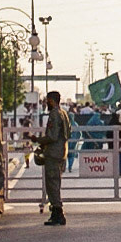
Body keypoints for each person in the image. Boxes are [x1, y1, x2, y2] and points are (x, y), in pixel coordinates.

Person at [36, 91, 71, 226]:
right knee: (56, 182)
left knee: (52, 184)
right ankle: (56, 212)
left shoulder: (54, 115)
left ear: (51, 100)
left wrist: (39, 140)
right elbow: (68, 132)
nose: (46, 103)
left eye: (47, 101)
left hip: (53, 154)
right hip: (61, 152)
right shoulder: (64, 113)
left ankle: (57, 212)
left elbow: (52, 136)